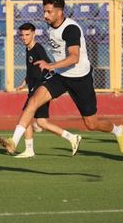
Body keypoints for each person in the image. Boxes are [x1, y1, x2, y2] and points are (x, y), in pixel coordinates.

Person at [0, 0, 123, 155]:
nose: (45, 15)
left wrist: (50, 65)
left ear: (60, 12)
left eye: (49, 12)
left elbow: (74, 57)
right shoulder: (50, 26)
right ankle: (13, 141)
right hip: (60, 76)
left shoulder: (71, 29)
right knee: (32, 102)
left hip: (80, 78)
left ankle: (117, 130)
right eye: (44, 11)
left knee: (91, 124)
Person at [13, 22, 82, 158]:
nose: (24, 37)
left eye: (27, 35)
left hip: (40, 90)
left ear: (33, 34)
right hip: (34, 87)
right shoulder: (28, 49)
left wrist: (50, 89)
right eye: (22, 35)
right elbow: (32, 70)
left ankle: (28, 149)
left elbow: (49, 67)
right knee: (41, 122)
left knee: (26, 115)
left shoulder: (38, 49)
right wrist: (24, 82)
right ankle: (72, 138)